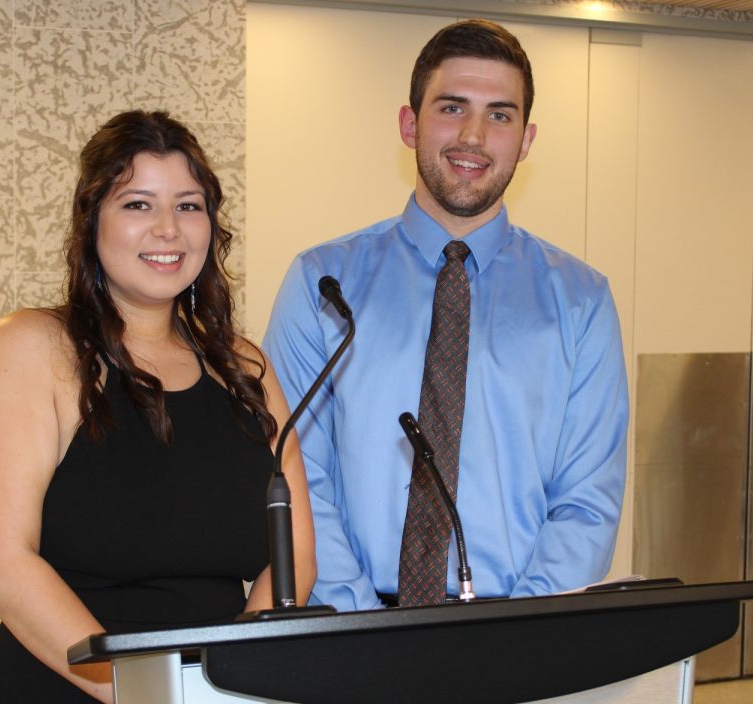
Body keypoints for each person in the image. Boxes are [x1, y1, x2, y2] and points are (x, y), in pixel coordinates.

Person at [0, 110, 315, 704]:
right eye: (138, 204)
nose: (168, 230)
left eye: (189, 206)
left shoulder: (244, 367)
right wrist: (148, 697)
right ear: (92, 221)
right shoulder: (34, 349)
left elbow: (293, 550)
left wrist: (222, 691)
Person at [263, 19, 627, 611]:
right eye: (452, 107)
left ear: (527, 140)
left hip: (519, 627)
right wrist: (360, 626)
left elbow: (588, 500)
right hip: (351, 627)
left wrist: (520, 631)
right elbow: (299, 476)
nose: (474, 136)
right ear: (409, 124)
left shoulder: (580, 301)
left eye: (500, 115)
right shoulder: (323, 285)